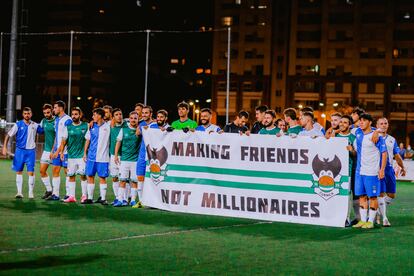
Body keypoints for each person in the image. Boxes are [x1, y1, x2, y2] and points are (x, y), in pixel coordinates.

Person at [352, 113, 387, 229]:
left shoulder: (376, 136)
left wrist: (382, 169)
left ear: (370, 123)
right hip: (359, 171)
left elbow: (384, 153)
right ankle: (363, 220)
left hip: (372, 171)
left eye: (364, 120)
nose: (361, 122)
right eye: (360, 120)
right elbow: (343, 128)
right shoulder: (357, 132)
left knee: (372, 197)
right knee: (361, 196)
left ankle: (371, 221)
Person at [2, 107, 43, 199]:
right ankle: (19, 192)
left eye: (28, 113)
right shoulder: (18, 124)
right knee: (19, 171)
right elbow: (8, 135)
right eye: (25, 113)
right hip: (20, 151)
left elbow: (44, 131)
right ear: (23, 114)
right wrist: (4, 147)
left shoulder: (35, 125)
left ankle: (30, 193)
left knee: (31, 173)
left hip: (31, 152)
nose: (27, 115)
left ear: (31, 114)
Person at [376, 117, 406, 226]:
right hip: (377, 169)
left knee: (392, 194)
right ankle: (384, 218)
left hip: (389, 169)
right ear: (377, 125)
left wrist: (402, 167)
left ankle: (379, 210)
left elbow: (397, 155)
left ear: (388, 125)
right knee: (380, 193)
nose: (383, 125)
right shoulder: (373, 137)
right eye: (381, 123)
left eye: (385, 123)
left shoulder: (392, 139)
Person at [58, 107, 89, 203]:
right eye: (73, 114)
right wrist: (62, 152)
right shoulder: (68, 127)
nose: (74, 116)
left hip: (81, 156)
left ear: (80, 115)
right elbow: (64, 140)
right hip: (71, 156)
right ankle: (72, 196)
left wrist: (85, 153)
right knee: (71, 176)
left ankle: (84, 196)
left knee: (83, 176)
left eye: (76, 114)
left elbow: (88, 140)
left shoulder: (86, 126)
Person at [82, 108, 111, 205]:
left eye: (94, 115)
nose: (93, 117)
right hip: (91, 157)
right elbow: (87, 140)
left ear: (99, 116)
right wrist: (85, 153)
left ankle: (103, 198)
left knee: (102, 177)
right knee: (90, 176)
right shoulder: (91, 126)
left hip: (103, 158)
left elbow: (120, 121)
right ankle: (90, 198)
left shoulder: (109, 126)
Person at [114, 111, 142, 208]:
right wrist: (116, 155)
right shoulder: (124, 129)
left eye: (135, 118)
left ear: (138, 119)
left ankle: (133, 200)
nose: (133, 120)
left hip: (135, 160)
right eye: (132, 118)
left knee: (134, 181)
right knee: (122, 180)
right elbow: (118, 142)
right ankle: (120, 200)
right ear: (129, 119)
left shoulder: (141, 130)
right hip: (124, 159)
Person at [333, 115, 357, 226]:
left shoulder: (353, 138)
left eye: (345, 122)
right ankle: (334, 217)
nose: (342, 124)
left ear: (350, 125)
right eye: (341, 122)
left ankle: (346, 218)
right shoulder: (335, 136)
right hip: (334, 171)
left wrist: (351, 151)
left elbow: (357, 155)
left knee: (346, 196)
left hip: (348, 171)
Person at [49, 101, 72, 201]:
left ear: (61, 108)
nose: (53, 109)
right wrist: (52, 150)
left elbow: (65, 138)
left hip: (66, 151)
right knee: (55, 170)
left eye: (55, 107)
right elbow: (56, 136)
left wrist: (58, 151)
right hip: (57, 150)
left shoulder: (68, 120)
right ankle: (55, 194)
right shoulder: (56, 119)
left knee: (67, 172)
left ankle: (68, 194)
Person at [39, 104, 56, 199]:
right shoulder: (43, 121)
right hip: (46, 150)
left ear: (52, 111)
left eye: (48, 112)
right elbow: (38, 129)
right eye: (44, 113)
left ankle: (60, 193)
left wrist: (54, 150)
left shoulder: (57, 121)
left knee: (56, 173)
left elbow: (58, 137)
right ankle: (49, 190)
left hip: (56, 151)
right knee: (42, 171)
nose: (46, 114)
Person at [109, 108, 125, 205]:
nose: (119, 116)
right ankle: (117, 197)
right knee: (114, 177)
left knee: (124, 179)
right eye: (117, 114)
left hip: (124, 156)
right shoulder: (110, 126)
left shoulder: (127, 125)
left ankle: (124, 198)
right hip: (113, 156)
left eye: (120, 114)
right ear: (113, 117)